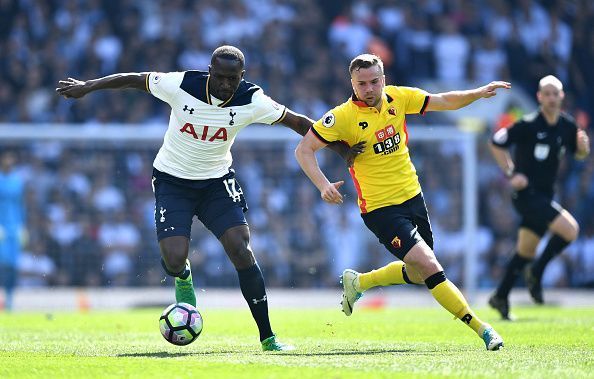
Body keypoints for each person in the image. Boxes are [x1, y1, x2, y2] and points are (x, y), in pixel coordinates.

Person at [56, 45, 359, 351]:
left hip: (216, 183)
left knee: (241, 249)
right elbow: (134, 78)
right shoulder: (181, 84)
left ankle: (268, 337)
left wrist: (342, 150)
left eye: (233, 79)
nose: (226, 85)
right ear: (210, 71)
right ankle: (183, 276)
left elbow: (298, 122)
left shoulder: (252, 99)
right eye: (221, 77)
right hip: (172, 181)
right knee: (173, 259)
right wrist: (87, 87)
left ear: (242, 76)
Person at [294, 53, 510, 351]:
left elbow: (444, 100)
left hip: (413, 196)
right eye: (362, 84)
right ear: (352, 84)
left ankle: (359, 283)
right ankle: (483, 329)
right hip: (380, 208)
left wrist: (477, 93)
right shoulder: (342, 116)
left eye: (374, 81)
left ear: (384, 79)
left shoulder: (399, 98)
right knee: (429, 265)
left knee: (422, 274)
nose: (369, 89)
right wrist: (323, 185)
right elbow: (304, 150)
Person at [488, 75, 590, 320]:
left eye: (556, 93)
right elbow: (496, 142)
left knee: (526, 250)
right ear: (539, 97)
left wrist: (583, 149)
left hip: (545, 195)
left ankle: (500, 296)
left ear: (562, 96)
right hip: (525, 195)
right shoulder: (528, 124)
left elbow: (578, 155)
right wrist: (511, 173)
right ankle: (538, 270)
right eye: (548, 93)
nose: (552, 98)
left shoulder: (567, 126)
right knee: (570, 230)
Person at [0, 151, 26, 311]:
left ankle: (9, 299)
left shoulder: (18, 180)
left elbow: (21, 204)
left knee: (12, 264)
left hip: (15, 228)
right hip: (1, 226)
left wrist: (22, 226)